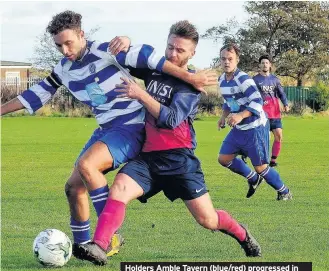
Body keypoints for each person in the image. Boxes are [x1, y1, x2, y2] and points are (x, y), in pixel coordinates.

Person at [0, 10, 218, 259]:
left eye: (69, 42)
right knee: (73, 188)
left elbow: (146, 54)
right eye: (59, 45)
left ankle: (108, 238)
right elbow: (36, 93)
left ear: (82, 35)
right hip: (106, 129)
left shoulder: (106, 50)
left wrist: (188, 76)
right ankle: (84, 247)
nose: (65, 50)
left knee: (87, 165)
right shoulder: (63, 68)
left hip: (132, 126)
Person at [75, 20, 261, 266]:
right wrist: (127, 41)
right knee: (119, 187)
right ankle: (100, 246)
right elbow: (131, 59)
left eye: (180, 50)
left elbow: (170, 120)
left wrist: (140, 95)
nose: (173, 54)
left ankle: (242, 233)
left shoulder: (191, 85)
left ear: (192, 53)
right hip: (148, 159)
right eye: (170, 47)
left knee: (208, 220)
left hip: (180, 161)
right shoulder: (156, 69)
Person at [217, 44, 292, 201]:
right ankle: (253, 179)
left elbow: (258, 101)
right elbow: (228, 101)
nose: (226, 62)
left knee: (261, 167)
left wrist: (240, 115)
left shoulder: (243, 79)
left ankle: (284, 191)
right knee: (224, 159)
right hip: (240, 128)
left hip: (255, 127)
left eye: (230, 59)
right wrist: (223, 117)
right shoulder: (222, 80)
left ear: (237, 60)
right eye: (223, 59)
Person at [253, 55, 289, 167]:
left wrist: (286, 104)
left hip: (275, 113)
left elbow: (281, 93)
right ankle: (263, 159)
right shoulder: (255, 80)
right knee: (264, 139)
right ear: (259, 65)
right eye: (262, 63)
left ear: (270, 65)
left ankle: (272, 161)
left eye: (266, 63)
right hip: (262, 114)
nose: (264, 64)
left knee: (279, 136)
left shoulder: (275, 80)